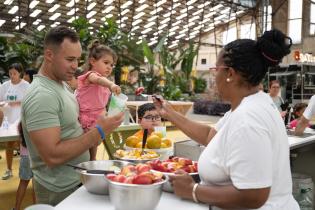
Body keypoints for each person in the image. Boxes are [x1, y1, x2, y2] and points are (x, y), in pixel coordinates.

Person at [153, 29, 299, 209]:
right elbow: (210, 136)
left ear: (230, 73)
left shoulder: (248, 118)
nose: (214, 76)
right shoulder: (251, 104)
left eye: (216, 69)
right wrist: (169, 113)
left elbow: (254, 195)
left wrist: (193, 190)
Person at [21, 26, 124, 206]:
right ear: (49, 55)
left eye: (77, 59)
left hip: (74, 180)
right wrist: (98, 131)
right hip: (59, 189)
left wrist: (95, 128)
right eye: (70, 59)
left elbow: (73, 130)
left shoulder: (62, 85)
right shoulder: (42, 95)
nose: (76, 66)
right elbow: (52, 156)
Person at [76, 40, 121, 161]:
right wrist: (111, 85)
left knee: (94, 145)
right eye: (106, 62)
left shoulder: (105, 80)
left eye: (112, 65)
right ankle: (90, 161)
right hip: (88, 116)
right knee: (88, 144)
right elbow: (99, 80)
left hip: (100, 116)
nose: (109, 67)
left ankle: (92, 160)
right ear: (92, 61)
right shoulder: (91, 76)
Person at [0, 63, 30, 180]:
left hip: (21, 118)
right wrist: (4, 104)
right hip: (8, 119)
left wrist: (18, 102)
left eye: (14, 73)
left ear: (20, 73)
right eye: (10, 73)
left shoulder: (26, 85)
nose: (12, 76)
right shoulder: (5, 85)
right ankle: (8, 169)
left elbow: (30, 101)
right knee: (9, 144)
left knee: (24, 144)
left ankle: (27, 170)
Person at [13, 123, 35, 210]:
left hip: (25, 157)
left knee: (23, 183)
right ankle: (36, 207)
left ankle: (16, 207)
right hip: (36, 156)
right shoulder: (36, 122)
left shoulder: (20, 125)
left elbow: (19, 141)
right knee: (36, 185)